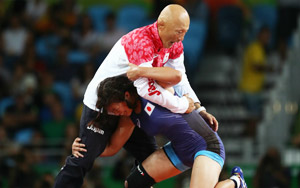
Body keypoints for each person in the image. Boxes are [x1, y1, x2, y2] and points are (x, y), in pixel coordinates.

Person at [53, 4, 217, 187]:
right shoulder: (140, 42)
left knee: (148, 160)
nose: (182, 38)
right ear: (161, 25)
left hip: (129, 105)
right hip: (101, 105)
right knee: (83, 157)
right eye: (179, 31)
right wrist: (181, 105)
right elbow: (146, 89)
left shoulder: (174, 44)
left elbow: (180, 78)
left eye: (185, 32)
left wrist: (197, 106)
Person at [73, 75, 247, 188]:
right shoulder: (128, 117)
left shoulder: (151, 90)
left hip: (206, 145)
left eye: (114, 108)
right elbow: (112, 148)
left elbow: (177, 76)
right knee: (133, 184)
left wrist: (199, 108)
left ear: (125, 95)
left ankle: (236, 182)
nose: (114, 113)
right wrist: (83, 148)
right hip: (179, 150)